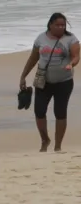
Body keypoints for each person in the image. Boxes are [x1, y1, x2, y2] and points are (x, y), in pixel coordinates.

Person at [20, 13, 80, 152]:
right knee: (39, 112)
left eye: (63, 25)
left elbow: (76, 56)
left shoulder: (71, 39)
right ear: (50, 25)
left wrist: (71, 64)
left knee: (60, 112)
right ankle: (45, 140)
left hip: (64, 82)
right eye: (57, 25)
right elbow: (33, 58)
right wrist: (23, 76)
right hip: (43, 82)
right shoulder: (41, 38)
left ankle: (58, 146)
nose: (61, 27)